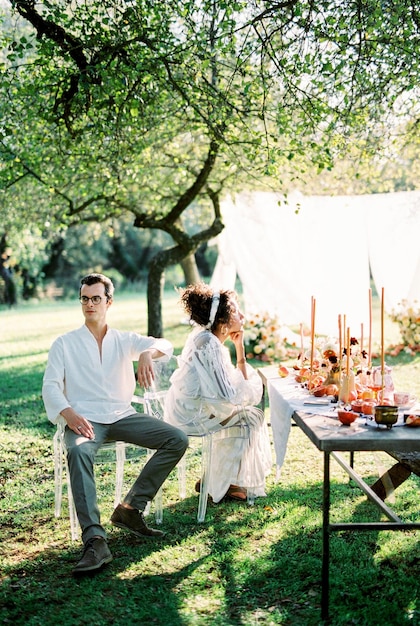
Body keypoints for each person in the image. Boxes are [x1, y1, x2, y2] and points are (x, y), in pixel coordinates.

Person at [42, 273, 188, 575]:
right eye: (85, 298)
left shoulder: (124, 340)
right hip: (84, 421)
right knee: (79, 452)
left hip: (122, 415)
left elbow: (167, 344)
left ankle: (130, 508)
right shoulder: (64, 343)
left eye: (96, 298)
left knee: (176, 439)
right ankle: (94, 539)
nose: (89, 304)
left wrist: (147, 352)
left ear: (109, 302)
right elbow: (51, 386)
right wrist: (68, 414)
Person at [164, 283, 272, 504]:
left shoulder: (208, 339)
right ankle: (219, 481)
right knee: (251, 417)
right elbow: (229, 396)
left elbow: (230, 389)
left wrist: (240, 350)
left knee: (245, 414)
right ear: (222, 320)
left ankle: (217, 479)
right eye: (235, 311)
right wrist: (248, 390)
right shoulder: (208, 344)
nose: (241, 315)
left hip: (193, 407)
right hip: (191, 414)